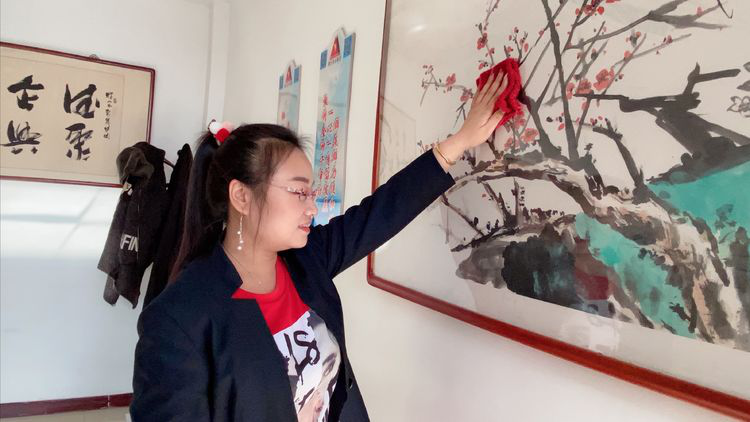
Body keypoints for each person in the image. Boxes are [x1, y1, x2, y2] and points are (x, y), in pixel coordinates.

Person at [130, 71, 509, 421]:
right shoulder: (179, 319)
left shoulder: (305, 262)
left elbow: (380, 213)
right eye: (299, 192)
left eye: (311, 193)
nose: (312, 207)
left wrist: (460, 142)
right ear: (241, 196)